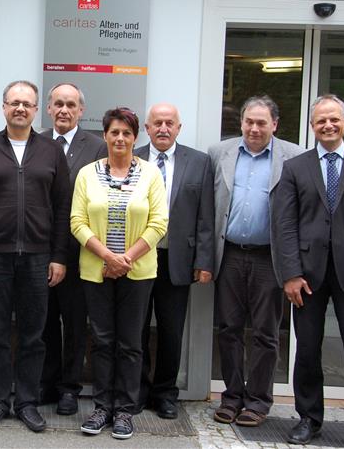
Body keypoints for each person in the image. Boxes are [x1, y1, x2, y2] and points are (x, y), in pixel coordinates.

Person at [275, 95, 344, 449]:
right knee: (307, 350)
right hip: (307, 276)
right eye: (321, 120)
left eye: (333, 119)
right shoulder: (296, 168)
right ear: (312, 126)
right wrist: (291, 274)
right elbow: (285, 225)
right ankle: (309, 419)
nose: (327, 125)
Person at [0, 80, 70, 433]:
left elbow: (62, 207)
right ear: (4, 107)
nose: (20, 108)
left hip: (38, 258)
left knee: (33, 335)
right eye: (14, 103)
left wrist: (59, 256)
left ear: (37, 109)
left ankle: (26, 402)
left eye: (27, 103)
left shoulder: (51, 151)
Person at [71, 107, 168, 439]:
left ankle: (125, 410)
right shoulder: (87, 174)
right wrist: (107, 257)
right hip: (96, 270)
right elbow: (77, 222)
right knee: (101, 341)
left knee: (130, 343)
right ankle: (101, 407)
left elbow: (159, 223)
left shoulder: (151, 174)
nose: (120, 138)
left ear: (135, 137)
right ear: (105, 136)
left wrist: (125, 258)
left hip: (137, 272)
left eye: (127, 133)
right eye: (114, 132)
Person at [207, 95, 303, 427]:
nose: (254, 128)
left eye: (262, 123)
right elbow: (211, 208)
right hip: (230, 254)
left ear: (274, 124)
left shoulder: (293, 157)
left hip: (269, 257)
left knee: (265, 332)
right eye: (249, 121)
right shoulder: (221, 152)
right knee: (229, 329)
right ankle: (232, 396)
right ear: (242, 122)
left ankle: (259, 401)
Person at [133, 103, 214, 419]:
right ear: (147, 128)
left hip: (177, 259)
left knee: (171, 330)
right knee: (135, 328)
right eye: (157, 123)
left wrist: (204, 259)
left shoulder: (199, 162)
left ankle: (165, 393)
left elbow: (206, 216)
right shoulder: (133, 157)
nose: (163, 128)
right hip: (138, 257)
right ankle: (136, 390)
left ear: (178, 128)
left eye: (170, 123)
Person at [39, 83, 105, 415]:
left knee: (75, 323)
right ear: (48, 109)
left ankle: (69, 387)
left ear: (81, 111)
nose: (64, 110)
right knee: (44, 321)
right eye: (58, 104)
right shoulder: (34, 142)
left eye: (71, 105)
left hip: (80, 253)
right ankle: (47, 383)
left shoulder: (97, 147)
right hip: (39, 250)